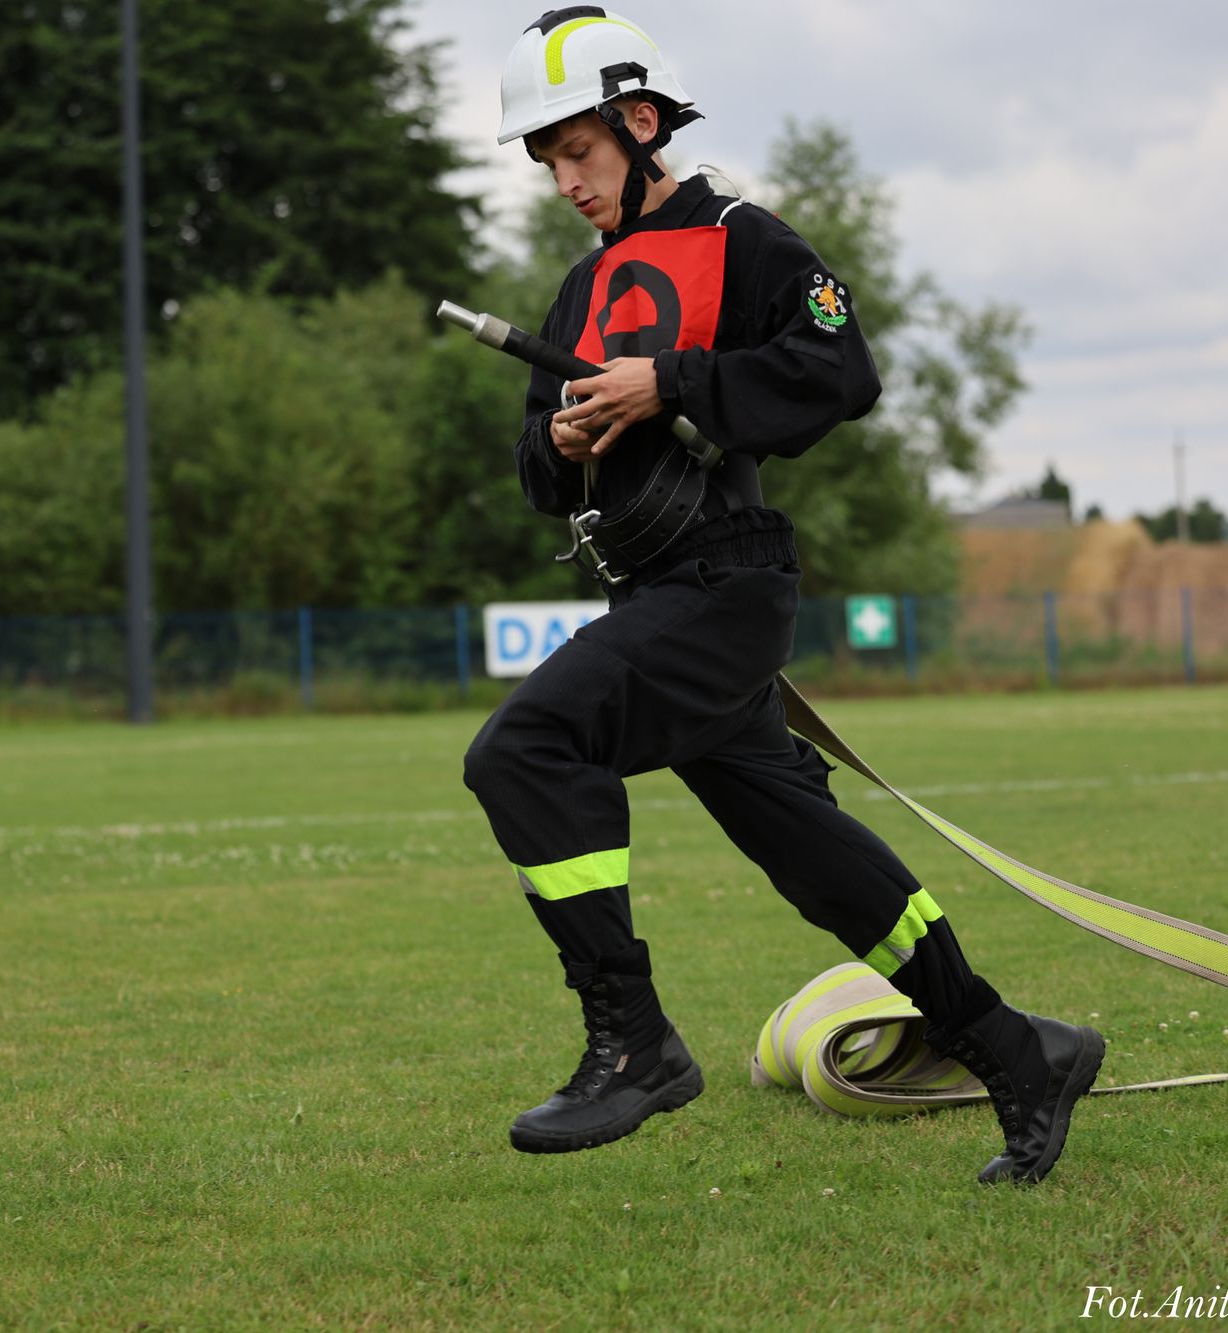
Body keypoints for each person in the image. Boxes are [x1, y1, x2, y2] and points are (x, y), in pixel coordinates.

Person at [461, 7, 1104, 1185]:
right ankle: (1018, 1054)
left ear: (638, 122)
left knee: (524, 749)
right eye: (546, 160)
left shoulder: (742, 237)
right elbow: (536, 477)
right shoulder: (576, 286)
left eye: (577, 151)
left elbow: (838, 370)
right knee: (816, 863)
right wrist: (560, 437)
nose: (564, 181)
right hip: (651, 599)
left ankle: (634, 1043)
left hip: (724, 586)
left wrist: (666, 384)